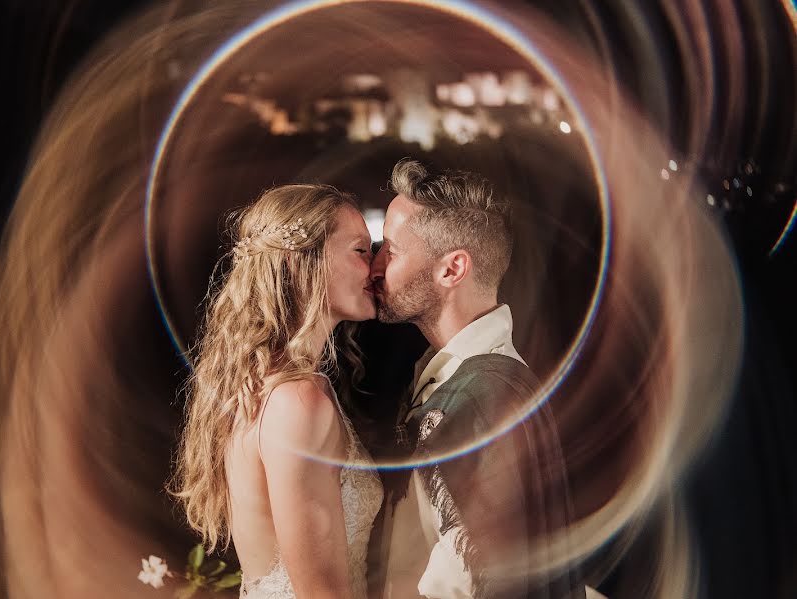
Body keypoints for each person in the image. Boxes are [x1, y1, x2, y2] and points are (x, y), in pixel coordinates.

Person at [370, 159, 585, 599]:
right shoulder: (453, 376)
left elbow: (474, 577)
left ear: (452, 269)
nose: (374, 267)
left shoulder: (487, 394)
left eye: (389, 251)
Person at [171, 184, 384, 599]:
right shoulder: (296, 402)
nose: (374, 267)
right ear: (298, 262)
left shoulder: (271, 388)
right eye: (360, 250)